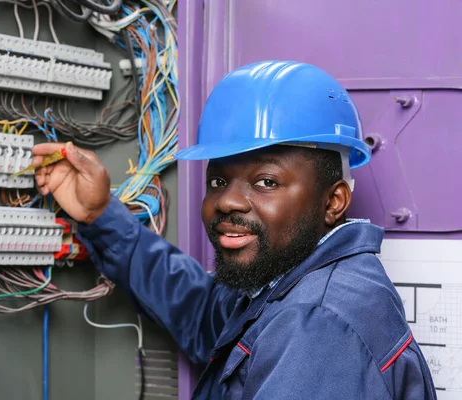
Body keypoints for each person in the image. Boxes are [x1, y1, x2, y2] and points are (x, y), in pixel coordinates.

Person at [31, 60, 437, 399]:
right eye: (218, 181)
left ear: (332, 202)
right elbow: (202, 311)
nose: (227, 201)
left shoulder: (318, 326)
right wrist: (100, 214)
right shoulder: (289, 281)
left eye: (266, 182)